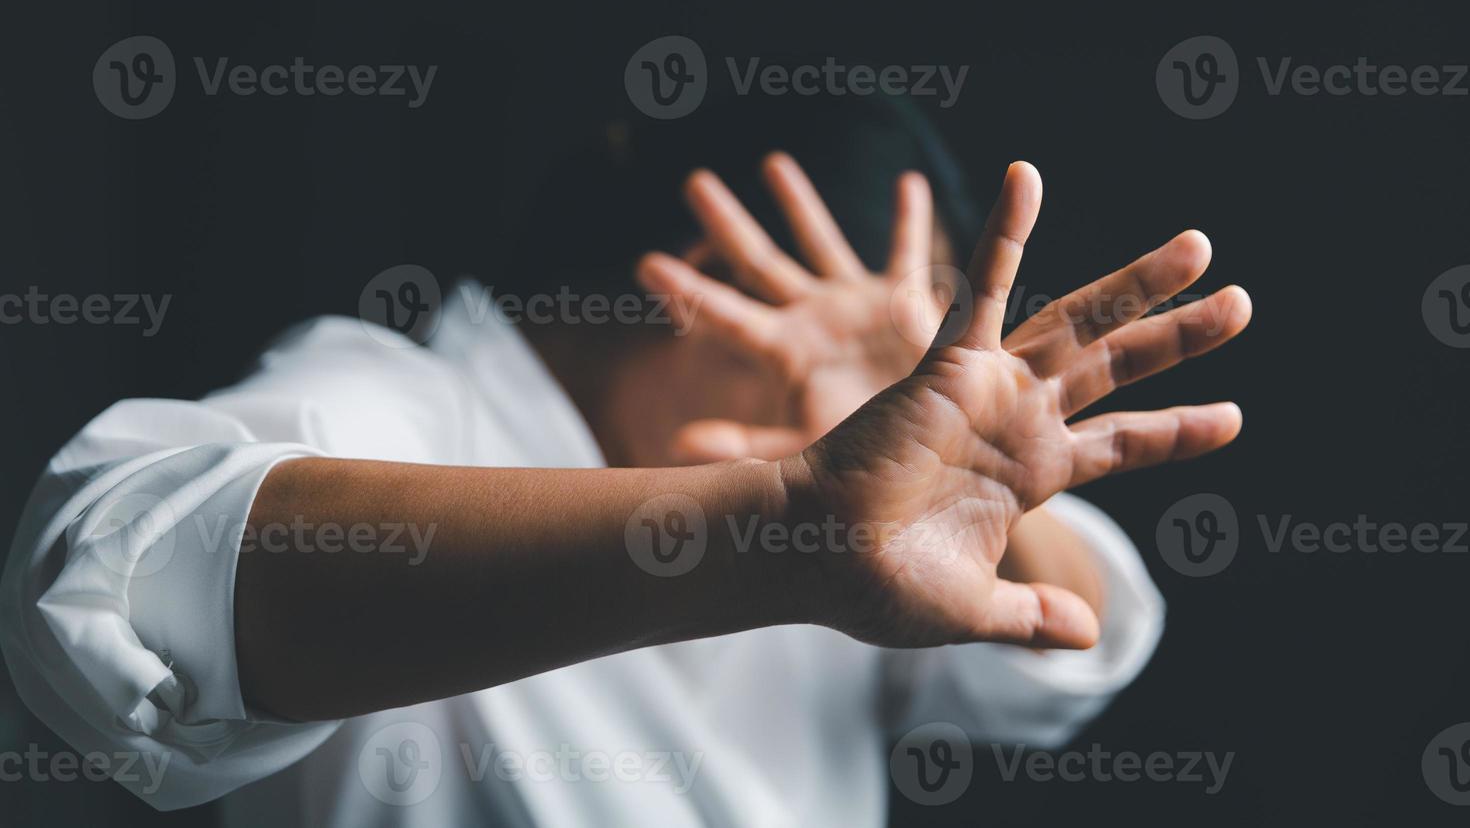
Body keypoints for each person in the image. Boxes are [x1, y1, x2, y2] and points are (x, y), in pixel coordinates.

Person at [0, 97, 1251, 826]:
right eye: (925, 350)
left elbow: (1071, 642)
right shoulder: (410, 404)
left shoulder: (856, 471)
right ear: (721, 281)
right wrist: (782, 523)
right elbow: (120, 587)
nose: (915, 399)